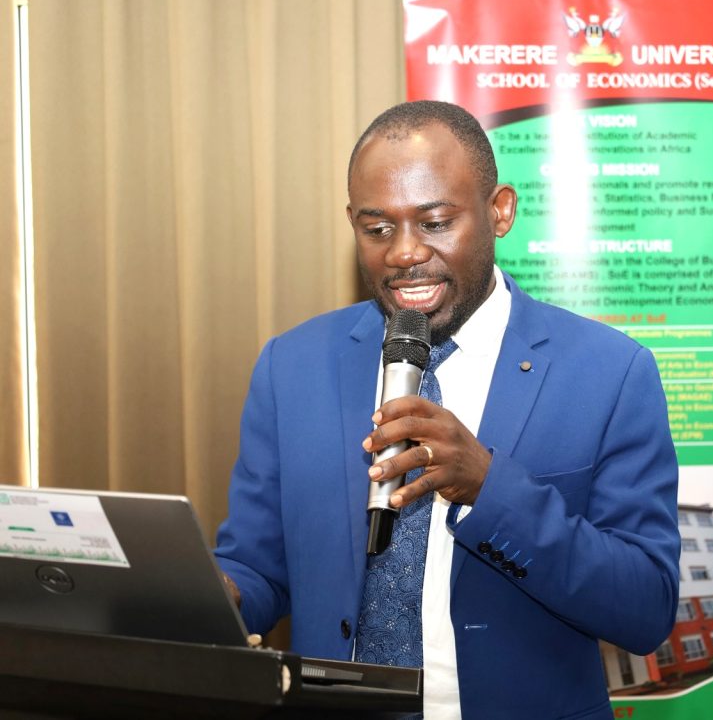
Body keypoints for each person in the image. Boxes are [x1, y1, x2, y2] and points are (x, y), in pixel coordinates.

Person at [214, 100, 680, 720]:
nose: (403, 252)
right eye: (377, 229)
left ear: (500, 211)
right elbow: (258, 565)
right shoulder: (292, 366)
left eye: (434, 222)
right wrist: (212, 597)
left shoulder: (609, 372)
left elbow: (645, 608)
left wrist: (491, 488)